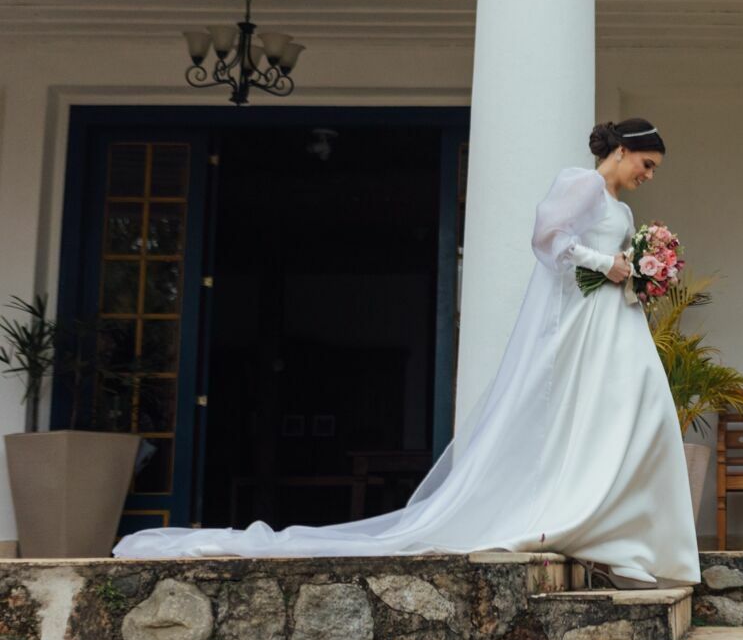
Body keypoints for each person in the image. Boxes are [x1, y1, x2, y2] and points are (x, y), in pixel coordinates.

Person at [113, 118, 701, 585]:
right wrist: (611, 263)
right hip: (586, 321)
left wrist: (642, 271)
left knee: (630, 417)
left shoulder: (621, 209)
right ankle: (586, 525)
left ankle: (624, 533)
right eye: (646, 164)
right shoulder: (581, 184)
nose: (649, 175)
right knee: (597, 417)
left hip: (615, 322)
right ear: (621, 150)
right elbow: (549, 239)